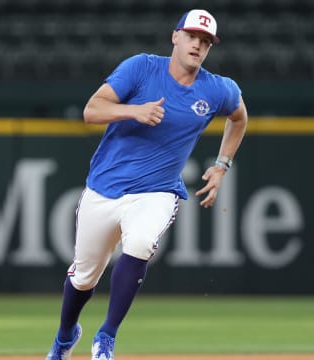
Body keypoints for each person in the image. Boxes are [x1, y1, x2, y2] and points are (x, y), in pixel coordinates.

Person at [46, 8, 248, 360]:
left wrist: (221, 165)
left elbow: (239, 117)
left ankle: (106, 335)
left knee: (140, 243)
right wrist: (133, 111)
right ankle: (65, 336)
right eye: (191, 36)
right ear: (175, 36)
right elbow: (92, 110)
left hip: (157, 192)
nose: (197, 46)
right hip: (104, 189)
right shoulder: (141, 68)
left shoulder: (217, 90)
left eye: (205, 41)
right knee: (83, 278)